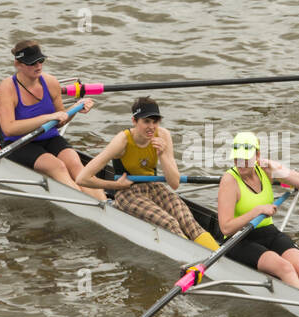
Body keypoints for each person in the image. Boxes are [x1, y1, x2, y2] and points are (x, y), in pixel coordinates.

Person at [76, 97, 221, 251]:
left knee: (187, 220)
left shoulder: (163, 135)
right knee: (169, 223)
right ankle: (194, 260)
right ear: (134, 121)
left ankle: (217, 258)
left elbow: (174, 183)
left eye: (155, 121)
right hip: (127, 192)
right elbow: (82, 178)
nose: (151, 127)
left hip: (153, 186)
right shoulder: (122, 141)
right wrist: (114, 185)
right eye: (146, 121)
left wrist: (163, 154)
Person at [216, 132, 299, 305]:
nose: (240, 163)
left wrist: (277, 168)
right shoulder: (229, 180)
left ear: (257, 155)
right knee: (286, 268)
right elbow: (226, 228)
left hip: (268, 232)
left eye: (245, 158)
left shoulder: (265, 170)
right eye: (237, 159)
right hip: (239, 239)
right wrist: (257, 210)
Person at [0, 40, 105, 200]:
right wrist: (47, 117)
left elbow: (60, 120)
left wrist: (76, 108)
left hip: (49, 137)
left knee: (75, 163)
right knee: (56, 166)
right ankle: (83, 204)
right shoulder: (7, 89)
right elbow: (9, 129)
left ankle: (105, 204)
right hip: (19, 143)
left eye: (41, 60)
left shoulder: (51, 82)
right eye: (32, 63)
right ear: (18, 64)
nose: (38, 66)